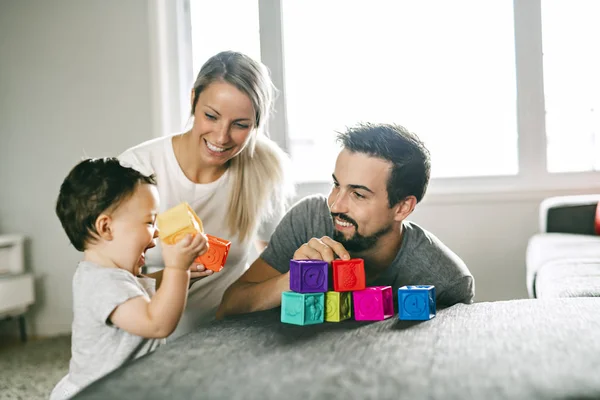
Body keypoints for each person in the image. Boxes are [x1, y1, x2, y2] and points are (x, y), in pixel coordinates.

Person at [217, 123, 475, 318]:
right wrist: (292, 280)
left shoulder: (446, 280)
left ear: (402, 207)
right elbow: (228, 307)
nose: (336, 205)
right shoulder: (308, 220)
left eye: (358, 194)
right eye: (336, 185)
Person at [118, 51, 292, 336]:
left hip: (233, 332)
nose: (222, 137)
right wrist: (177, 274)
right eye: (211, 116)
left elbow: (269, 256)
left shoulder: (266, 168)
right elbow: (108, 281)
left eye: (240, 125)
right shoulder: (137, 168)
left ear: (256, 124)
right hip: (152, 339)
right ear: (193, 100)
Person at [50, 158, 208, 400]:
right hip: (100, 393)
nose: (156, 231)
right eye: (149, 221)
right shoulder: (104, 284)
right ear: (106, 228)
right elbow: (156, 323)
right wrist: (178, 271)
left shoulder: (108, 275)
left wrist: (179, 276)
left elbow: (142, 293)